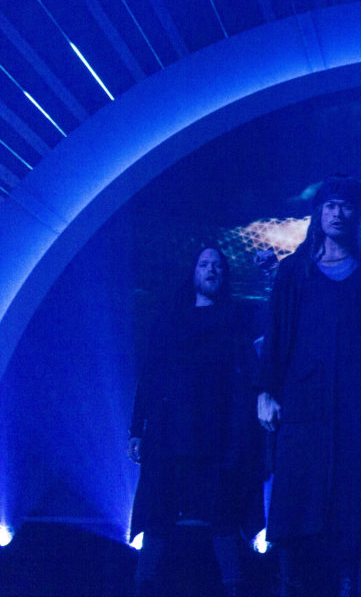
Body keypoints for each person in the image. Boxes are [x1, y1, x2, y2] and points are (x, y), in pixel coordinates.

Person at [256, 175, 361, 597]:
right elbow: (277, 333)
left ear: (356, 214)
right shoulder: (294, 271)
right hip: (302, 401)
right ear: (319, 213)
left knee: (346, 504)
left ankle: (347, 586)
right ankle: (290, 585)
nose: (338, 213)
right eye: (331, 205)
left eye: (346, 206)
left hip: (353, 404)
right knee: (295, 497)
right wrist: (265, 391)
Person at [128, 246, 265, 597]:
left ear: (225, 274)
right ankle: (143, 586)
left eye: (217, 265)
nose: (211, 270)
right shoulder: (170, 321)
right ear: (194, 272)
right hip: (170, 433)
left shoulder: (237, 319)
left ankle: (233, 589)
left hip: (218, 437)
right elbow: (150, 374)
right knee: (158, 516)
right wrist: (136, 429)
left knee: (223, 517)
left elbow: (273, 329)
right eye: (205, 264)